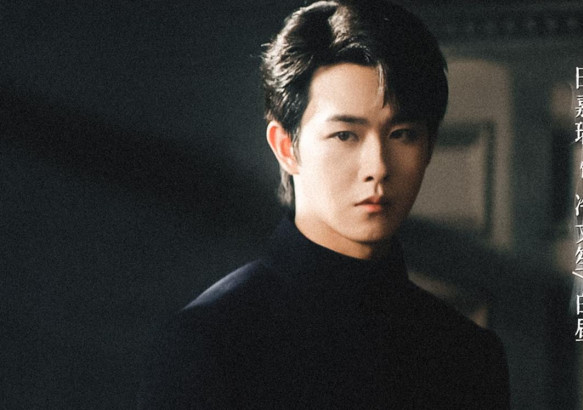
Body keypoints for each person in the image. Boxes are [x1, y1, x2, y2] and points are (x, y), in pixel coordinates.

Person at [138, 1, 510, 408]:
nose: (378, 167)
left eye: (402, 134)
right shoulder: (209, 344)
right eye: (345, 135)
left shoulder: (468, 355)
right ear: (286, 147)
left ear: (430, 147)